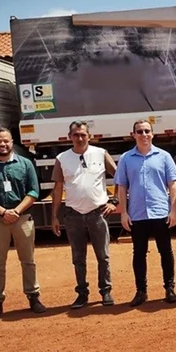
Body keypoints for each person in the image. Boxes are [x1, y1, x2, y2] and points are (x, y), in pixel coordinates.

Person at [0, 127, 46, 320]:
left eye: (6, 141)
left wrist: (16, 211)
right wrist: (4, 212)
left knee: (28, 261)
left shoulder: (25, 164)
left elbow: (33, 192)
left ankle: (34, 297)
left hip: (22, 218)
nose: (2, 144)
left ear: (12, 141)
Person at [51, 121, 118, 309]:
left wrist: (114, 202)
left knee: (103, 256)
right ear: (69, 137)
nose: (79, 138)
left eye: (83, 134)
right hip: (73, 214)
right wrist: (54, 216)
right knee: (78, 257)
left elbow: (120, 177)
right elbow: (57, 189)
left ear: (89, 136)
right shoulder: (62, 158)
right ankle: (82, 294)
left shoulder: (100, 154)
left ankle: (106, 291)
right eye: (75, 135)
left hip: (97, 213)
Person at [114, 120, 176, 307]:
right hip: (137, 214)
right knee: (139, 253)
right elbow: (122, 187)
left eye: (147, 131)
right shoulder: (126, 158)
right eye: (139, 131)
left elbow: (172, 185)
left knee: (165, 251)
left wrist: (173, 210)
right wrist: (123, 213)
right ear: (133, 134)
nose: (143, 134)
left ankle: (169, 288)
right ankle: (141, 291)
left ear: (153, 134)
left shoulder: (164, 156)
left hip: (160, 212)